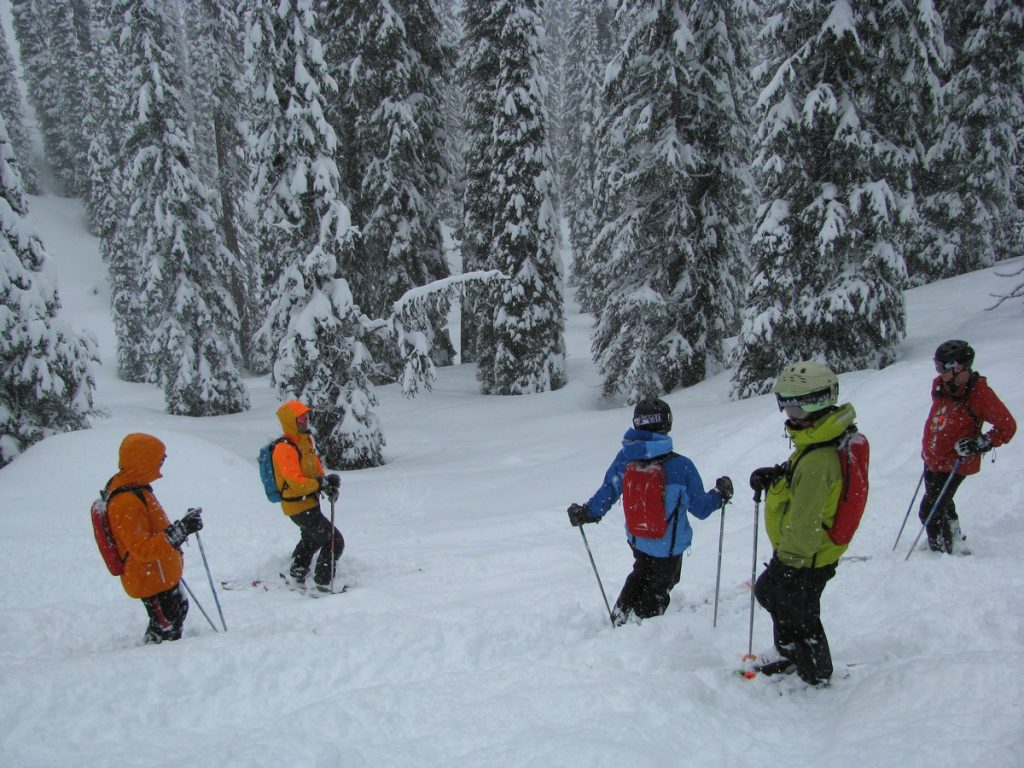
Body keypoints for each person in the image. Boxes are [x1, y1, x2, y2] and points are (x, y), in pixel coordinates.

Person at [567, 398, 731, 625]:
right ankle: (643, 628)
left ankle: (622, 615)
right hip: (668, 548)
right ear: (666, 425)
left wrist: (588, 513)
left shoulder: (625, 459)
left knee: (640, 572)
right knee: (659, 586)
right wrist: (720, 495)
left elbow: (608, 490)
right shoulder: (681, 466)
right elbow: (701, 509)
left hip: (638, 539)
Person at [748, 361, 862, 686]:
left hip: (807, 555)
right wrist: (778, 476)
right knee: (787, 601)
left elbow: (805, 521)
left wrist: (789, 564)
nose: (788, 413)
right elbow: (803, 483)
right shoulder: (819, 439)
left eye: (794, 405)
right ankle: (789, 651)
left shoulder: (817, 458)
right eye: (784, 403)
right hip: (809, 552)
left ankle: (815, 670)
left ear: (815, 403)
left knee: (794, 607)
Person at [919, 340, 1016, 554]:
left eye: (942, 367)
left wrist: (979, 443)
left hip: (956, 461)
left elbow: (1007, 426)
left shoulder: (980, 393)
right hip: (933, 457)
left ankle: (948, 548)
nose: (939, 372)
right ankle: (941, 545)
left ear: (959, 367)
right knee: (938, 506)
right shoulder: (940, 386)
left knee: (930, 509)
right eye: (937, 366)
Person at [105, 433, 203, 644]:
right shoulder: (125, 501)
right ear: (143, 460)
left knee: (176, 611)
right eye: (159, 459)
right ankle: (156, 663)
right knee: (166, 626)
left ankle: (163, 656)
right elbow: (141, 549)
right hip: (149, 577)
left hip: (159, 573)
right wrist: (177, 533)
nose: (161, 464)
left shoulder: (137, 488)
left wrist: (181, 527)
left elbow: (153, 529)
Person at [272, 400, 344, 592]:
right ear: (290, 420)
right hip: (297, 505)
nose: (306, 418)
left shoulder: (304, 441)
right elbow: (296, 481)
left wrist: (326, 482)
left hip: (308, 502)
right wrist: (320, 484)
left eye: (306, 415)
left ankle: (297, 572)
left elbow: (313, 470)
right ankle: (323, 583)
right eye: (301, 416)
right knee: (333, 540)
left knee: (311, 539)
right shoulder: (284, 448)